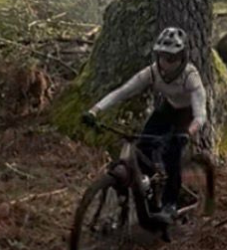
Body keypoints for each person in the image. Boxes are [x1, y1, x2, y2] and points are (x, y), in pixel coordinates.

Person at [82, 26, 208, 238]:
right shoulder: (152, 71)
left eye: (171, 57)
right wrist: (95, 110)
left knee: (172, 155)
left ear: (182, 57)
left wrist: (188, 132)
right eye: (161, 56)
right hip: (167, 109)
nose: (165, 62)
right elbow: (123, 91)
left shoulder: (190, 77)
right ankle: (149, 197)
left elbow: (200, 115)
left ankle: (169, 204)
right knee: (142, 150)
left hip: (186, 115)